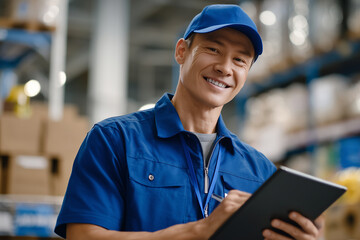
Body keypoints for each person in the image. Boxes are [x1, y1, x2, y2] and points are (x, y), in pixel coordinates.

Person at [54, 4, 323, 240]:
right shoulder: (114, 140)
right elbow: (83, 236)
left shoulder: (259, 171)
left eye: (240, 60)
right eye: (213, 49)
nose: (225, 68)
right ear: (181, 52)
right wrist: (198, 231)